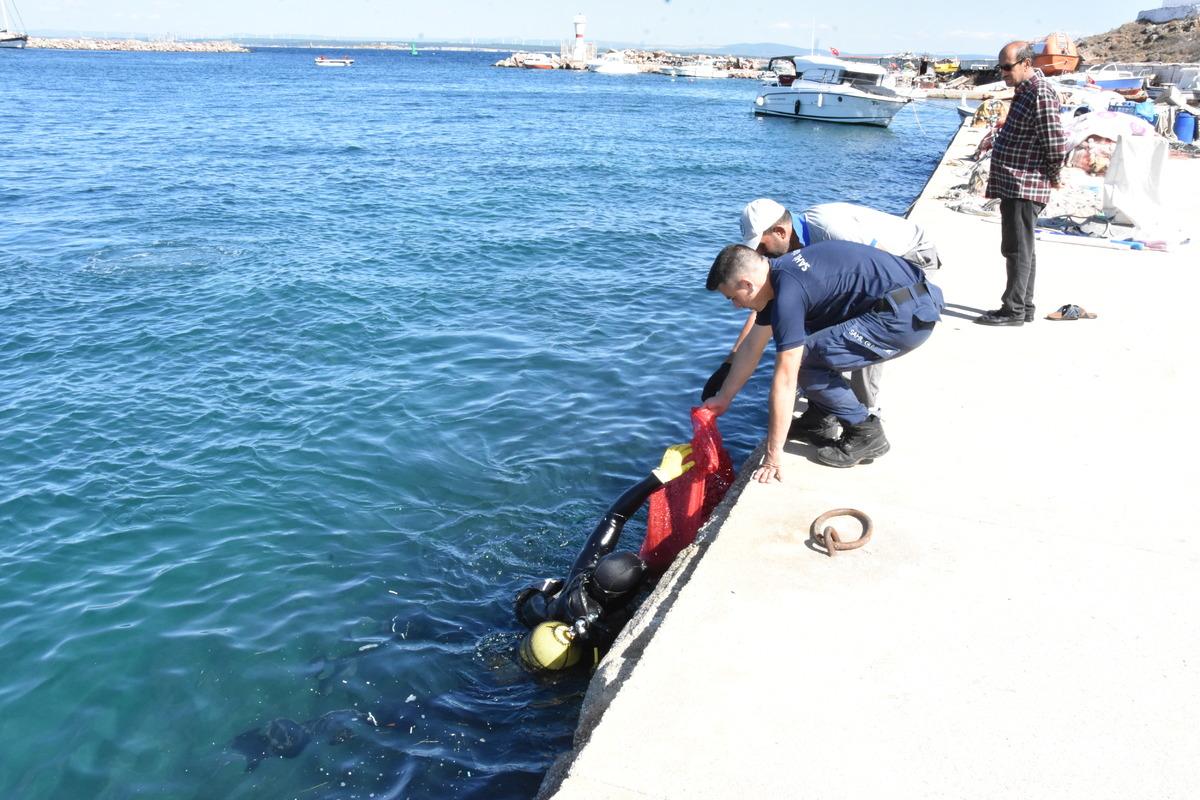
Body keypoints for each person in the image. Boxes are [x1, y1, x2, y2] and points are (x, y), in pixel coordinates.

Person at [702, 241, 944, 476]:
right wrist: (724, 397)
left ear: (747, 284)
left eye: (732, 298)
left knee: (803, 362)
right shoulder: (778, 275)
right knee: (814, 338)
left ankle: (866, 432)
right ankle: (819, 419)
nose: (735, 306)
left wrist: (773, 456)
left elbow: (786, 378)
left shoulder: (788, 294)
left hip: (906, 318)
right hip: (910, 300)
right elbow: (752, 347)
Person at [701, 198, 942, 426]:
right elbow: (764, 311)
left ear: (780, 232)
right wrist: (730, 364)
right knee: (811, 325)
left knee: (854, 334)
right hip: (876, 279)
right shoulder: (791, 254)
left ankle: (864, 417)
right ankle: (822, 412)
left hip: (910, 261)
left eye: (761, 247)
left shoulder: (830, 231)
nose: (759, 256)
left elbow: (872, 288)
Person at [514, 443, 695, 669]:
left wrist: (657, 477)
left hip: (548, 617)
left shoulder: (581, 579)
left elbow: (613, 518)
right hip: (571, 654)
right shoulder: (611, 624)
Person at [975, 41, 1069, 326]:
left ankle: (1013, 310)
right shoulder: (1026, 91)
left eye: (1007, 67)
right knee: (1023, 248)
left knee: (1017, 249)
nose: (1002, 72)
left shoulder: (1039, 92)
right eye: (1000, 66)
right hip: (1017, 183)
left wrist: (1052, 176)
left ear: (1027, 63)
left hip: (1024, 183)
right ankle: (1023, 306)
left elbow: (1055, 142)